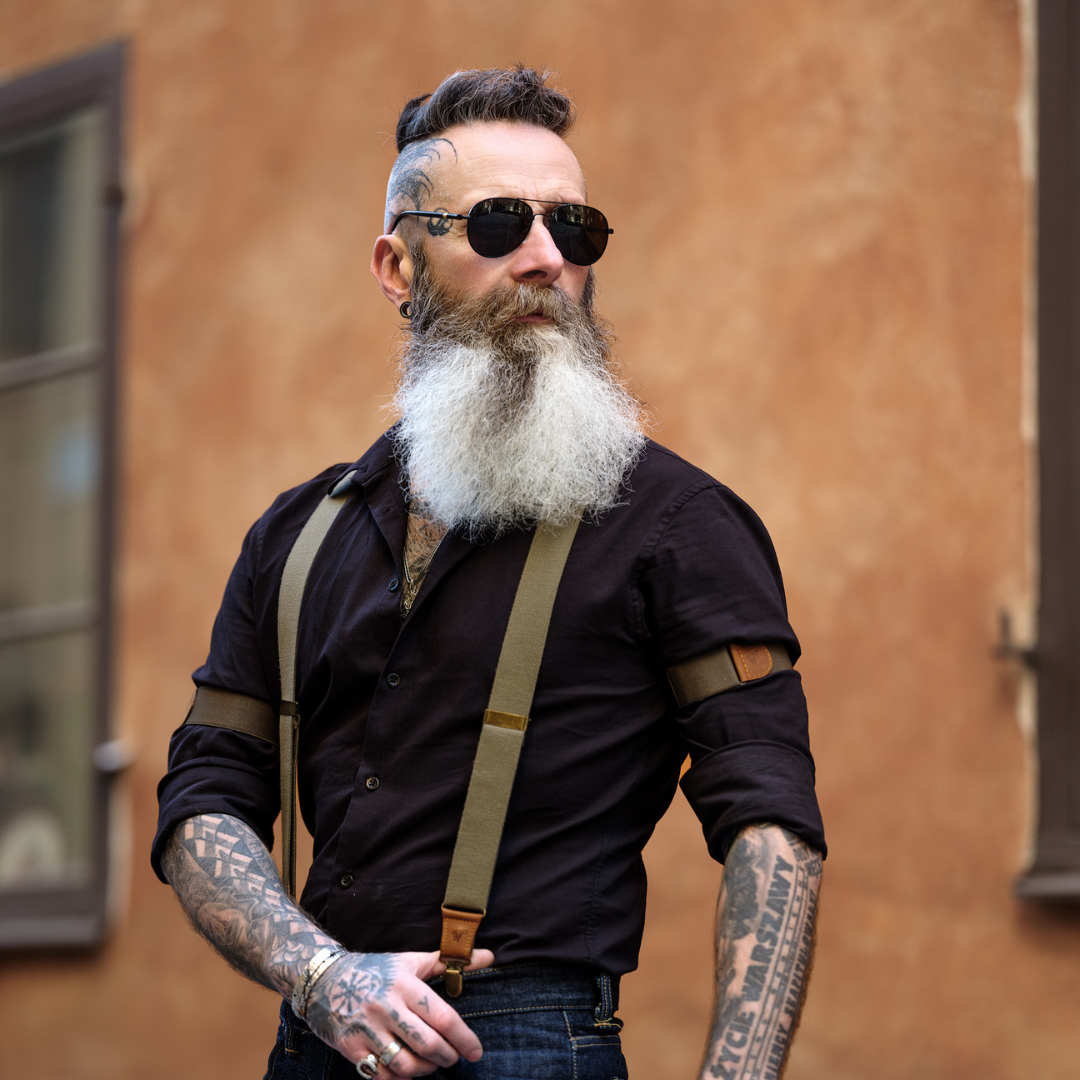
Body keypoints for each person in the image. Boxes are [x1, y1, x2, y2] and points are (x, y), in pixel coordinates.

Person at [153, 66, 825, 1080]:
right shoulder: (297, 536)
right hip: (318, 1036)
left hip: (528, 1044)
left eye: (576, 229)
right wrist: (320, 974)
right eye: (501, 224)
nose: (548, 259)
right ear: (398, 264)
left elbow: (771, 819)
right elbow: (205, 788)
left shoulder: (680, 525)